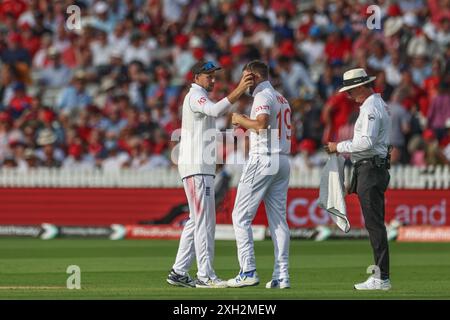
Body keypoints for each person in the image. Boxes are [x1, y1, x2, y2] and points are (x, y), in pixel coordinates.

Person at [167, 60, 253, 288]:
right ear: (196, 77)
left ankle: (178, 271)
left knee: (197, 221)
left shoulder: (197, 96)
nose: (212, 80)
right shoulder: (195, 95)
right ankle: (205, 275)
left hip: (199, 167)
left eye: (214, 76)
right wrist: (240, 89)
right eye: (208, 76)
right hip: (195, 167)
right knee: (205, 221)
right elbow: (215, 110)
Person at [226, 60, 292, 289]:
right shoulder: (282, 98)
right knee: (278, 220)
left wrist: (239, 119)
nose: (243, 82)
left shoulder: (263, 96)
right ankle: (282, 275)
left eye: (245, 77)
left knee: (240, 216)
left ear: (253, 76)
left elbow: (262, 125)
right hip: (282, 159)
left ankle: (248, 271)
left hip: (264, 157)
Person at [325, 68, 392, 291]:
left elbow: (366, 143)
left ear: (361, 87)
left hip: (370, 168)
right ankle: (381, 276)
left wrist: (338, 147)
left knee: (374, 225)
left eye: (351, 91)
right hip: (372, 167)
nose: (349, 96)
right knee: (375, 224)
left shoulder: (371, 107)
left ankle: (381, 278)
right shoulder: (376, 104)